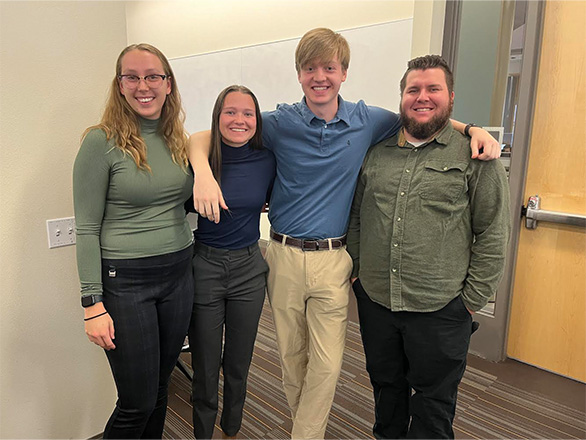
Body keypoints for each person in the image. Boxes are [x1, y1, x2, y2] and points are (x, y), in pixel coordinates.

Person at [189, 28, 501, 439]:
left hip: (334, 260)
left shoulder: (367, 120)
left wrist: (472, 129)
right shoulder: (279, 123)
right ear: (299, 75)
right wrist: (203, 174)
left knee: (327, 363)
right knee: (290, 358)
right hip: (280, 255)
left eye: (330, 68)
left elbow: (422, 115)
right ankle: (307, 428)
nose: (320, 77)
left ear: (344, 73)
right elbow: (211, 131)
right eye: (310, 68)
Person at [347, 55, 511, 439]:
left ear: (450, 97)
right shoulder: (377, 152)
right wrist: (357, 272)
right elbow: (357, 217)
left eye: (433, 88)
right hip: (377, 302)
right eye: (413, 89)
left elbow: (493, 233)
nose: (422, 97)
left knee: (433, 407)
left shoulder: (475, 157)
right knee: (386, 393)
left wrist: (471, 301)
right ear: (402, 97)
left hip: (442, 308)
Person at [73, 43, 194, 439]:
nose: (144, 86)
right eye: (132, 77)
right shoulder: (100, 141)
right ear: (120, 85)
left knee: (160, 390)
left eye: (153, 76)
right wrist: (92, 303)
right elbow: (87, 228)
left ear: (168, 84)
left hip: (178, 275)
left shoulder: (177, 138)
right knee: (136, 401)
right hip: (126, 282)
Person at [186, 85, 275, 439]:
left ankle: (232, 428)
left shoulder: (268, 158)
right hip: (204, 266)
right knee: (206, 364)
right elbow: (196, 140)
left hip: (249, 269)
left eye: (248, 113)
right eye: (230, 112)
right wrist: (203, 173)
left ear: (257, 120)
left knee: (239, 362)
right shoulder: (198, 158)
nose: (239, 120)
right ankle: (202, 432)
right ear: (217, 117)